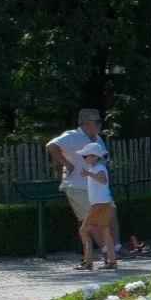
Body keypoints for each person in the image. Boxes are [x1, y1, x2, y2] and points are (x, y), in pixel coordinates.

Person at [47, 109, 106, 268]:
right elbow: (52, 146)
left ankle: (97, 258)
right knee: (90, 223)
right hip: (76, 186)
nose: (100, 124)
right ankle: (107, 255)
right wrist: (67, 164)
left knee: (90, 224)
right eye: (98, 121)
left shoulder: (98, 138)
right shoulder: (72, 136)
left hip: (93, 187)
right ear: (87, 123)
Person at [75, 137, 120, 270]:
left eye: (85, 156)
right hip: (102, 204)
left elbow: (103, 180)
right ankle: (112, 262)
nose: (84, 158)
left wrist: (89, 174)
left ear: (94, 156)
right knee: (105, 232)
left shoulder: (98, 168)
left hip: (99, 205)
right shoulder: (96, 167)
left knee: (84, 231)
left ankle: (88, 262)